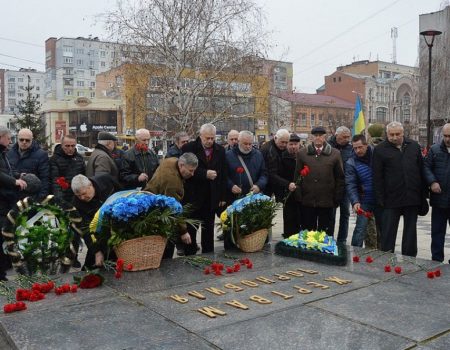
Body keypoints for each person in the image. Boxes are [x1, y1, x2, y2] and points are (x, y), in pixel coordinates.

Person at [373, 121, 424, 257]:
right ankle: (387, 259)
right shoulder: (380, 149)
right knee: (388, 233)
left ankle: (409, 259)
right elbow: (377, 177)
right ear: (387, 134)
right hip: (391, 199)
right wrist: (380, 199)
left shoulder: (414, 146)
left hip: (411, 197)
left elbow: (420, 170)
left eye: (398, 134)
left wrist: (422, 196)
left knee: (410, 233)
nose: (395, 137)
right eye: (391, 135)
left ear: (403, 133)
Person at [181, 123, 227, 255]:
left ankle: (208, 255)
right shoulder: (189, 148)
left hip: (211, 197)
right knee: (191, 229)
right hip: (193, 197)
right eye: (207, 138)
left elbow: (223, 174)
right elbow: (184, 170)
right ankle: (189, 255)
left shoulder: (220, 150)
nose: (210, 141)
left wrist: (222, 197)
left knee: (208, 231)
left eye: (212, 138)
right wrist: (204, 173)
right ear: (200, 136)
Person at [144, 152, 198, 258]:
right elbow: (173, 208)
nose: (192, 174)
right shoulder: (173, 182)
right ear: (181, 165)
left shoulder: (172, 160)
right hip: (159, 213)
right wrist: (184, 231)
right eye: (190, 170)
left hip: (151, 200)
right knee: (166, 249)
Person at [294, 126, 344, 237]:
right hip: (307, 201)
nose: (318, 138)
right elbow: (297, 177)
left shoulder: (335, 154)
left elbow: (340, 178)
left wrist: (337, 198)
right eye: (315, 135)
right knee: (308, 233)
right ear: (311, 137)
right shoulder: (302, 154)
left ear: (324, 137)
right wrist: (299, 196)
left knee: (325, 234)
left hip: (327, 201)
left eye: (320, 135)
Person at [71, 174, 120, 269]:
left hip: (119, 229)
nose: (82, 198)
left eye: (84, 193)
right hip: (98, 236)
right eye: (78, 195)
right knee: (91, 267)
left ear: (90, 185)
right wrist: (97, 251)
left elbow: (123, 195)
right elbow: (85, 230)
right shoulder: (76, 203)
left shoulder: (106, 180)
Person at [0, 127, 27, 281]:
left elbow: (6, 171)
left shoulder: (3, 153)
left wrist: (17, 175)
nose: (11, 141)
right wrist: (14, 181)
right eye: (8, 138)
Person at [345, 134, 379, 248]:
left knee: (381, 230)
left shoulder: (377, 155)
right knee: (360, 229)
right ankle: (355, 254)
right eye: (355, 148)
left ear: (366, 145)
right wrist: (355, 201)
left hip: (380, 199)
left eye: (360, 147)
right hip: (364, 200)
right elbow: (351, 184)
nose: (357, 150)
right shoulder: (351, 162)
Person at [423, 122, 450, 263]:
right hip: (439, 199)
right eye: (445, 136)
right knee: (437, 232)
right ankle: (436, 260)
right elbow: (426, 168)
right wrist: (432, 182)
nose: (447, 139)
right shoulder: (434, 150)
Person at [7, 128, 49, 201]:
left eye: (27, 140)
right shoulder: (8, 153)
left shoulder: (41, 155)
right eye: (21, 139)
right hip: (11, 197)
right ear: (17, 139)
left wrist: (41, 198)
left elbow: (45, 178)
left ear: (32, 140)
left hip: (32, 197)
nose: (24, 142)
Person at [328, 126, 352, 243]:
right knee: (330, 214)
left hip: (345, 186)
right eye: (344, 137)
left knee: (345, 213)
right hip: (331, 186)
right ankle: (329, 237)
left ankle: (342, 239)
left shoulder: (350, 148)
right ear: (337, 136)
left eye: (348, 137)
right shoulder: (327, 146)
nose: (347, 139)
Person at [49, 135, 86, 204]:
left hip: (77, 196)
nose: (70, 148)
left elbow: (84, 177)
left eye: (73, 146)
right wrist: (60, 200)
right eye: (67, 146)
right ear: (62, 145)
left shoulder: (79, 158)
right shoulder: (54, 159)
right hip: (63, 196)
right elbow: (55, 181)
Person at [280, 133, 302, 237]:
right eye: (291, 144)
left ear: (299, 144)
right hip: (287, 192)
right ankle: (288, 237)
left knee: (300, 217)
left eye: (295, 144)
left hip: (301, 193)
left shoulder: (303, 155)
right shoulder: (282, 157)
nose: (293, 146)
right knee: (289, 218)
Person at [260, 128, 290, 201]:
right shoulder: (268, 150)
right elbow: (271, 174)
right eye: (282, 142)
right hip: (268, 185)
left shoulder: (281, 148)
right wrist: (287, 184)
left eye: (286, 142)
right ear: (275, 138)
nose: (284, 145)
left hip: (278, 183)